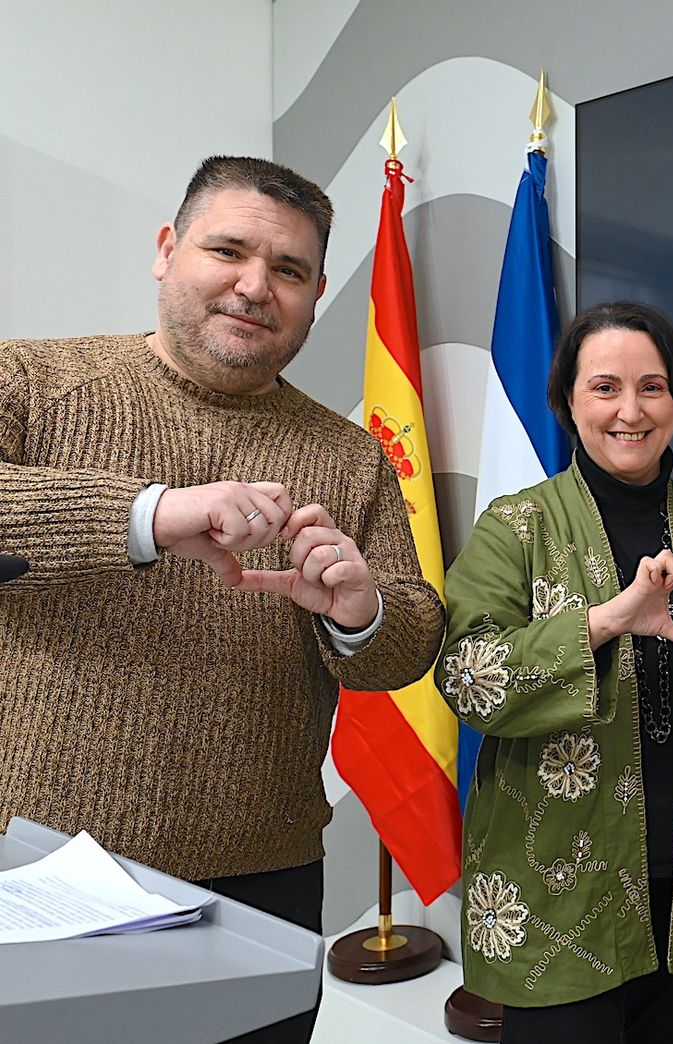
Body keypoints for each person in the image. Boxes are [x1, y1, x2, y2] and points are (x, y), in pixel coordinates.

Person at [0, 156, 445, 1043]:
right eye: (227, 250)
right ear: (167, 250)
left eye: (288, 270)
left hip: (263, 879)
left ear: (318, 293)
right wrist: (151, 515)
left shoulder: (352, 457)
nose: (254, 287)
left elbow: (411, 642)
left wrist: (358, 612)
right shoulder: (33, 381)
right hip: (36, 869)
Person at [439, 301, 673, 1043]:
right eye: (605, 387)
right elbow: (466, 679)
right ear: (569, 401)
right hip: (556, 891)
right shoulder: (517, 527)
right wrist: (608, 619)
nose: (630, 410)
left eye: (652, 387)